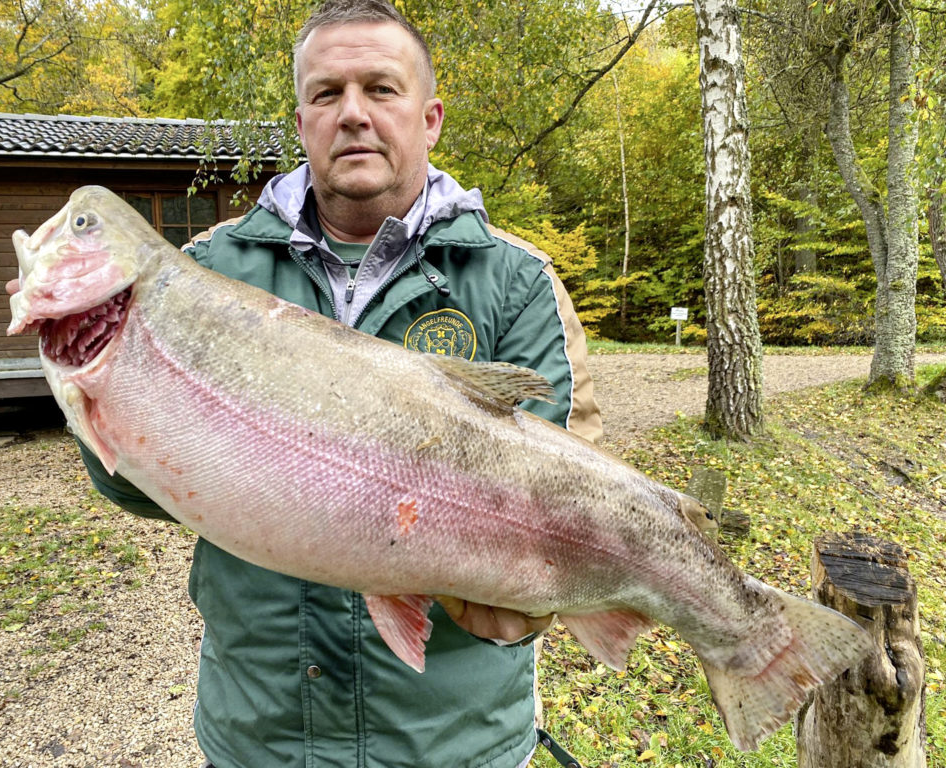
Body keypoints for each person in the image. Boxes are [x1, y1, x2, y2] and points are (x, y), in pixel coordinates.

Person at [79, 1, 603, 766]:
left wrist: (537, 603)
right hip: (264, 736)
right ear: (301, 123)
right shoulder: (204, 273)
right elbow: (131, 488)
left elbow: (567, 497)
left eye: (381, 89)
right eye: (327, 94)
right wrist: (96, 372)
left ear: (430, 118)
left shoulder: (514, 279)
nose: (352, 114)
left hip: (456, 744)